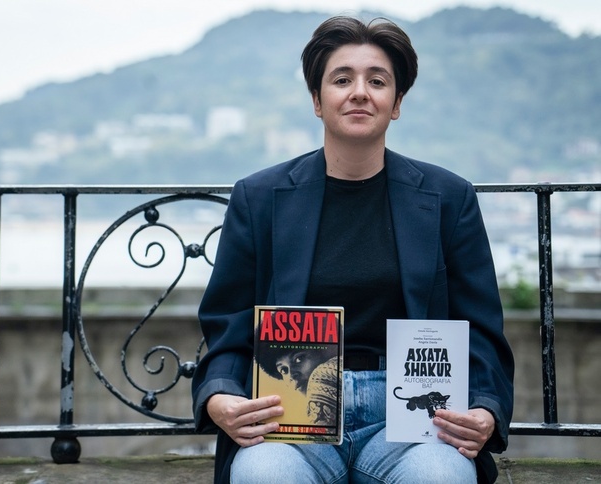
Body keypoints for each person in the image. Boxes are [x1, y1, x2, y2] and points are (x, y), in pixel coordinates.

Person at [192, 15, 514, 484]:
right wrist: (220, 395)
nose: (359, 92)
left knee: (441, 477)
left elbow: (480, 327)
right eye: (342, 80)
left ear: (396, 103)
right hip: (292, 415)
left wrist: (485, 408)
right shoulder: (258, 198)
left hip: (411, 420)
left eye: (377, 81)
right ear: (317, 100)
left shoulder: (449, 198)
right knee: (263, 475)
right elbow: (228, 321)